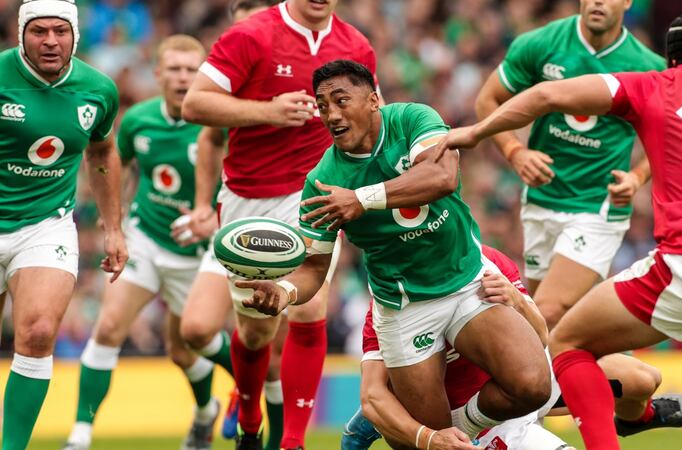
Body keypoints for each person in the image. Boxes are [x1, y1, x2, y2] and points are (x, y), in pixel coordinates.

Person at [436, 10, 682, 450]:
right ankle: (633, 411)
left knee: (568, 340)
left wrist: (476, 134)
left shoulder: (655, 83)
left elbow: (548, 96)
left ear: (671, 57)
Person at [237, 59, 552, 446]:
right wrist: (284, 292)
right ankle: (440, 431)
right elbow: (314, 267)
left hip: (466, 280)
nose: (331, 115)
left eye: (341, 101)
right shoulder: (322, 181)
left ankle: (462, 424)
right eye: (322, 107)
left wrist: (362, 200)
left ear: (372, 100)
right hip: (405, 310)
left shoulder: (412, 119)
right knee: (432, 441)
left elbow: (441, 177)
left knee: (534, 386)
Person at [181, 1, 378, 448]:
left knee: (309, 309)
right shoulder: (251, 35)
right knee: (255, 330)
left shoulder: (356, 45)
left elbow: (370, 116)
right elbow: (195, 105)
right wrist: (268, 112)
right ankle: (250, 416)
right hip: (247, 200)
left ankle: (292, 441)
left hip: (314, 192)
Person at [344, 246, 682, 450]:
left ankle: (635, 420)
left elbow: (541, 337)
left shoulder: (485, 261)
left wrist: (516, 301)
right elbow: (372, 394)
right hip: (479, 416)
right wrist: (427, 436)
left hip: (523, 380)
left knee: (643, 379)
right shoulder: (390, 307)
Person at [61, 35, 218, 450]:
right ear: (158, 74)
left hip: (197, 253)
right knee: (109, 326)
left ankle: (207, 413)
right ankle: (80, 435)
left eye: (191, 70)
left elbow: (238, 189)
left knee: (182, 353)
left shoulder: (219, 125)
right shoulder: (136, 120)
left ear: (202, 74)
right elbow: (112, 166)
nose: (183, 78)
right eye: (175, 69)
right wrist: (110, 224)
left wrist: (214, 219)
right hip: (146, 238)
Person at [474, 0, 665, 329]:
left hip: (597, 207)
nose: (597, 1)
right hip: (541, 199)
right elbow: (487, 99)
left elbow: (669, 136)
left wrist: (637, 176)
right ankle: (620, 377)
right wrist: (515, 152)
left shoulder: (649, 67)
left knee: (544, 312)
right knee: (548, 327)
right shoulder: (541, 44)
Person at [0, 1, 126, 449]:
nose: (50, 41)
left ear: (74, 35)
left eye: (60, 31)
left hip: (45, 225)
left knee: (35, 332)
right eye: (39, 31)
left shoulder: (98, 88)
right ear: (21, 34)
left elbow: (102, 151)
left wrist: (113, 228)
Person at [173, 0, 285, 446]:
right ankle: (243, 389)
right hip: (234, 218)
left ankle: (272, 437)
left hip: (286, 223)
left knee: (269, 351)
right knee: (195, 330)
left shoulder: (291, 74)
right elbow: (208, 139)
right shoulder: (230, 80)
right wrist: (204, 206)